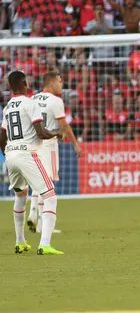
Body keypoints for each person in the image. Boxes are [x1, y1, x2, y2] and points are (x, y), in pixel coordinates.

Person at [0, 71, 62, 255]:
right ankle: (45, 244)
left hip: (11, 155)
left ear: (10, 87)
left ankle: (20, 242)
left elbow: (2, 136)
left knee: (20, 197)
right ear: (25, 83)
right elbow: (41, 133)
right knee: (50, 196)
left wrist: (8, 154)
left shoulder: (8, 107)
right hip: (27, 153)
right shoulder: (30, 103)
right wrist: (56, 133)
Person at [28, 72, 82, 234]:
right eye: (59, 81)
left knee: (39, 180)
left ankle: (33, 214)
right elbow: (65, 126)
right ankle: (43, 224)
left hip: (32, 144)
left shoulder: (33, 99)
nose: (61, 84)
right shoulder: (56, 101)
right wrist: (75, 145)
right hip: (48, 145)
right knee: (48, 184)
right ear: (50, 83)